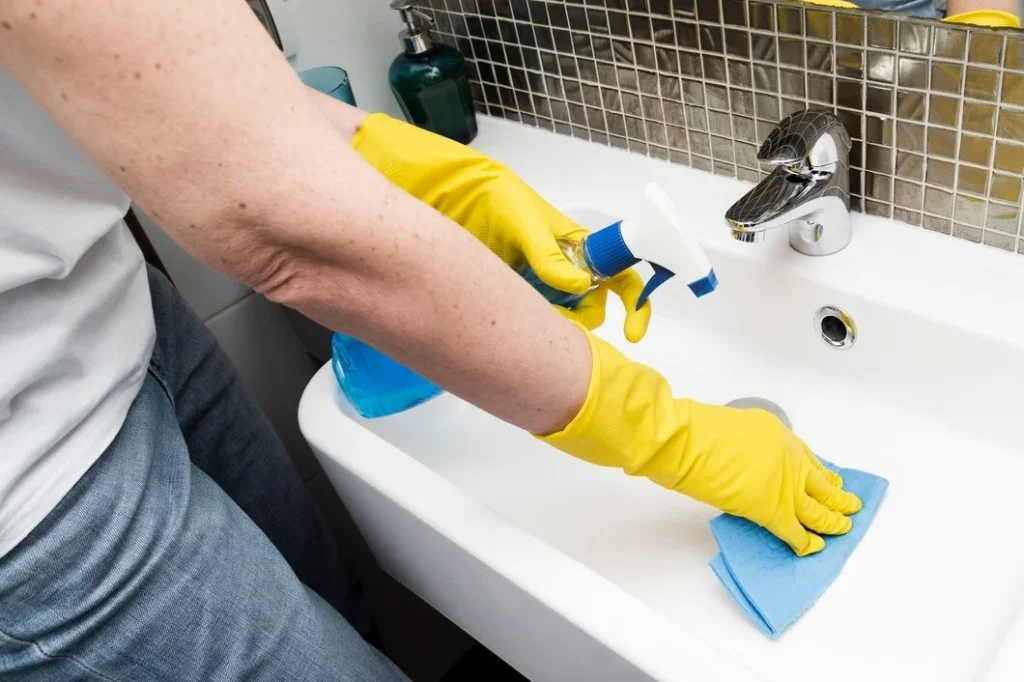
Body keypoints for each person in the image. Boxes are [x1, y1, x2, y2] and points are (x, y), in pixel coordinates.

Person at [0, 1, 863, 679]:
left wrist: (466, 184)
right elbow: (286, 232)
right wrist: (670, 433)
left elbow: (194, 95)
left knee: (325, 593)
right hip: (27, 486)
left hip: (100, 303)